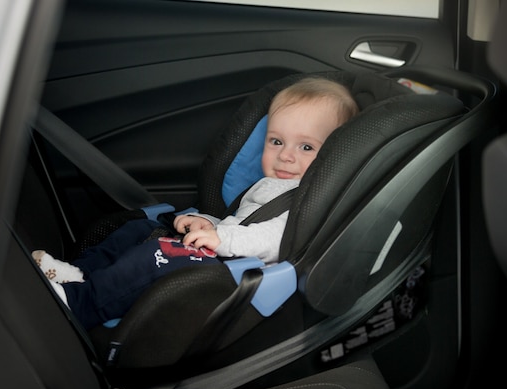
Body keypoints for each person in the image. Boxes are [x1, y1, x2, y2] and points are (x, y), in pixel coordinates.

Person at [32, 76, 359, 329]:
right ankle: (77, 273)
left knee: (155, 256)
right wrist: (210, 224)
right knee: (140, 229)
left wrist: (221, 239)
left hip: (237, 275)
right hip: (224, 250)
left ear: (332, 157)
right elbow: (242, 222)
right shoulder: (269, 186)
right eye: (276, 141)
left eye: (306, 148)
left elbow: (275, 239)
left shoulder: (310, 199)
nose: (285, 155)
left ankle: (80, 303)